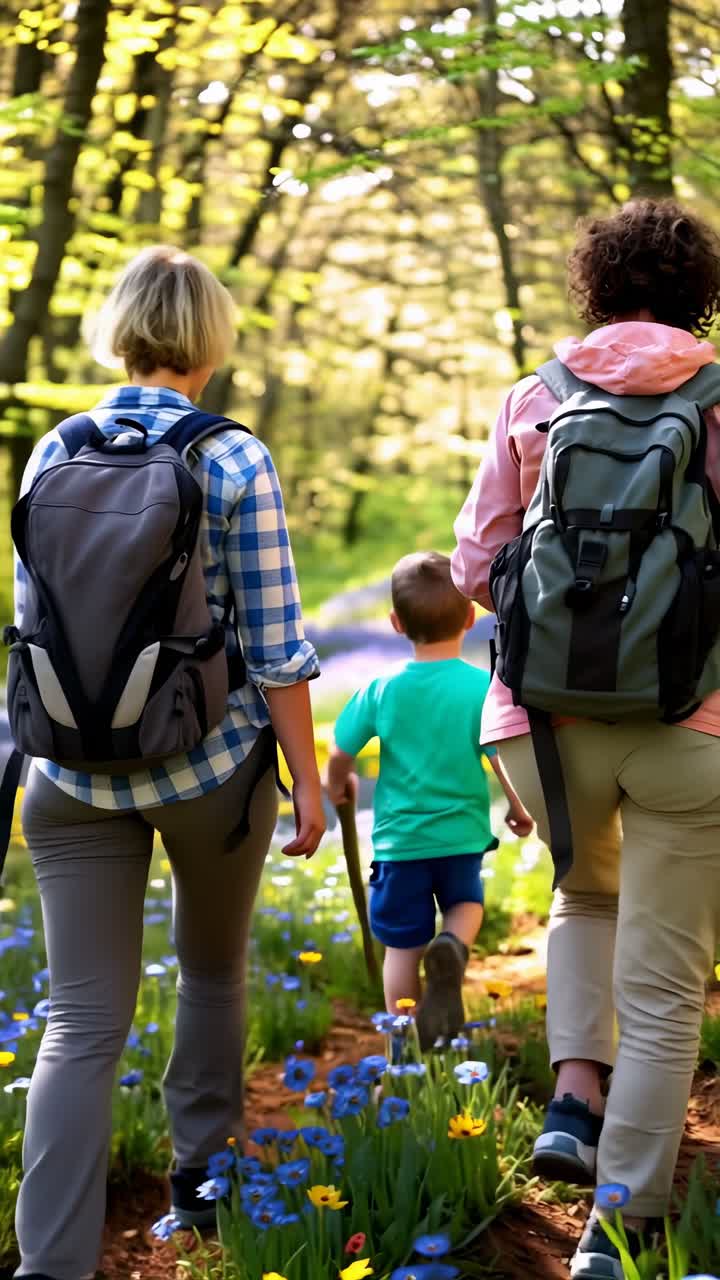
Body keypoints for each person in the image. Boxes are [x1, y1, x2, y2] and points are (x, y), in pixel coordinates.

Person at [12, 246, 326, 1280]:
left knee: (79, 1018)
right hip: (206, 770)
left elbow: (35, 623)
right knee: (210, 968)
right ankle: (199, 1183)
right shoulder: (233, 458)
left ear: (119, 327)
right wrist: (310, 783)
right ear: (209, 339)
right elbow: (277, 649)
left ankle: (48, 1262)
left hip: (69, 776)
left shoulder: (54, 449)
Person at [452, 199, 720, 1280]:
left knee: (583, 894)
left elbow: (478, 566)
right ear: (700, 289)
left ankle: (572, 1097)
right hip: (687, 723)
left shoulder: (538, 394)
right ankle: (617, 1229)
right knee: (664, 985)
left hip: (541, 728)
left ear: (595, 285)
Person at [326, 551, 532, 1049]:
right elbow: (498, 756)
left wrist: (338, 785)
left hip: (401, 844)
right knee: (465, 905)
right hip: (460, 836)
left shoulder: (381, 688)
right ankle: (453, 946)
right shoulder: (480, 687)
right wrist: (519, 807)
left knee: (400, 948)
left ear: (395, 623)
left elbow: (340, 750)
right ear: (469, 617)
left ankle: (403, 1050)